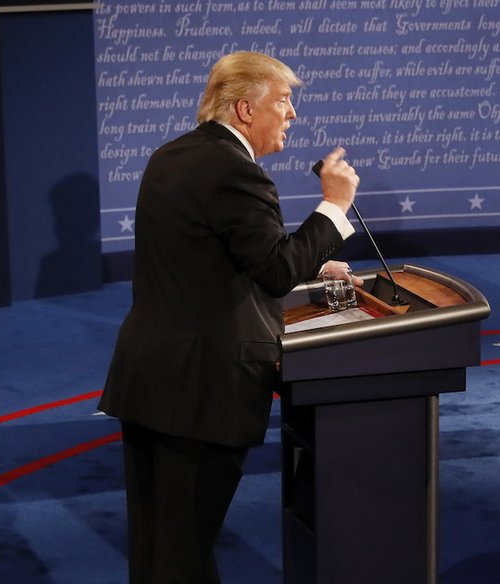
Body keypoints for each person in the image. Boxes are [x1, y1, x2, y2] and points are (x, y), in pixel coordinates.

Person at [98, 51, 364, 583]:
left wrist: (317, 266)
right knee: (183, 554)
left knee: (160, 548)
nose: (292, 114)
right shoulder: (236, 174)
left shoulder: (172, 156)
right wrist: (334, 206)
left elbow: (213, 260)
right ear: (245, 109)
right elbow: (273, 269)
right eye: (284, 101)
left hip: (150, 379)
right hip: (202, 390)